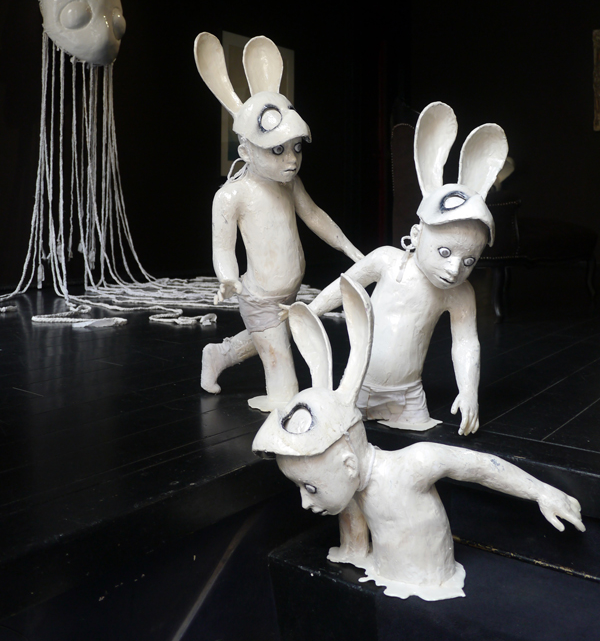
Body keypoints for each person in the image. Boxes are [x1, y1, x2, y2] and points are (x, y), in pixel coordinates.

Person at [254, 276, 585, 601]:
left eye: (310, 487)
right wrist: (352, 551)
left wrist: (541, 491)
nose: (304, 502)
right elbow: (352, 525)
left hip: (428, 578)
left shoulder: (412, 465)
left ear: (348, 463)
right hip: (387, 574)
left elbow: (480, 467)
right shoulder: (350, 488)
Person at [307, 101, 508, 434]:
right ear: (416, 235)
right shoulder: (387, 260)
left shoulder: (460, 293)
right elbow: (345, 286)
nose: (454, 269)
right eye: (444, 251)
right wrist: (310, 312)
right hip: (358, 384)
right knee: (339, 434)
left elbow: (466, 343)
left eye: (469, 261)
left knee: (420, 440)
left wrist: (469, 392)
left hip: (409, 395)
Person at [194, 32, 363, 411]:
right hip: (258, 296)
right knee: (283, 380)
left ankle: (219, 355)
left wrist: (348, 247)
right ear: (245, 151)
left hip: (289, 293)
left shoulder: (290, 184)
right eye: (277, 150)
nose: (292, 159)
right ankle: (282, 416)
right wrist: (228, 278)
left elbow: (314, 215)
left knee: (269, 338)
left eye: (296, 148)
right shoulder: (231, 196)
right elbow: (223, 248)